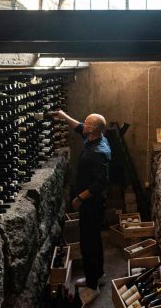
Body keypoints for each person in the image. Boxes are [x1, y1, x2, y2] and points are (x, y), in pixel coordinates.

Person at [51, 110, 111, 307]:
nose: (82, 125)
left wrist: (79, 197)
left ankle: (92, 287)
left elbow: (101, 183)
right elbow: (78, 126)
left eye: (86, 123)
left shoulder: (99, 152)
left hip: (92, 204)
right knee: (94, 240)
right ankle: (99, 275)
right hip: (91, 203)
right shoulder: (95, 137)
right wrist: (63, 115)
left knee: (88, 244)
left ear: (92, 129)